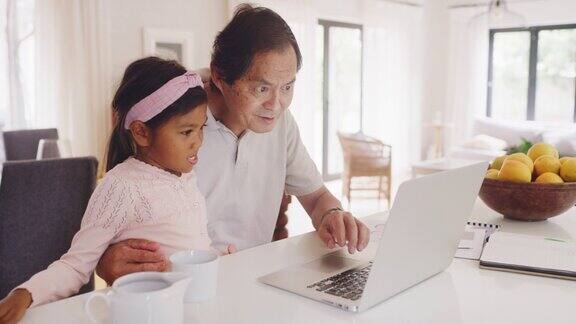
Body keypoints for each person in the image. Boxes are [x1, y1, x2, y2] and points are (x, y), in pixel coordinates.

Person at [96, 4, 370, 285]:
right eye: (261, 88)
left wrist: (333, 214)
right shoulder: (173, 122)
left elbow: (316, 198)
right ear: (219, 75)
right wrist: (105, 260)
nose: (276, 105)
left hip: (254, 281)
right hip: (180, 285)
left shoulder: (281, 123)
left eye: (287, 87)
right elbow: (110, 219)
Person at [0, 57, 233, 323]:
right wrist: (25, 293)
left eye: (201, 127)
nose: (198, 142)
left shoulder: (184, 177)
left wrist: (220, 258)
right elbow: (75, 265)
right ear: (141, 132)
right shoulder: (120, 187)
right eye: (186, 132)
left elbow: (191, 245)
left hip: (196, 312)